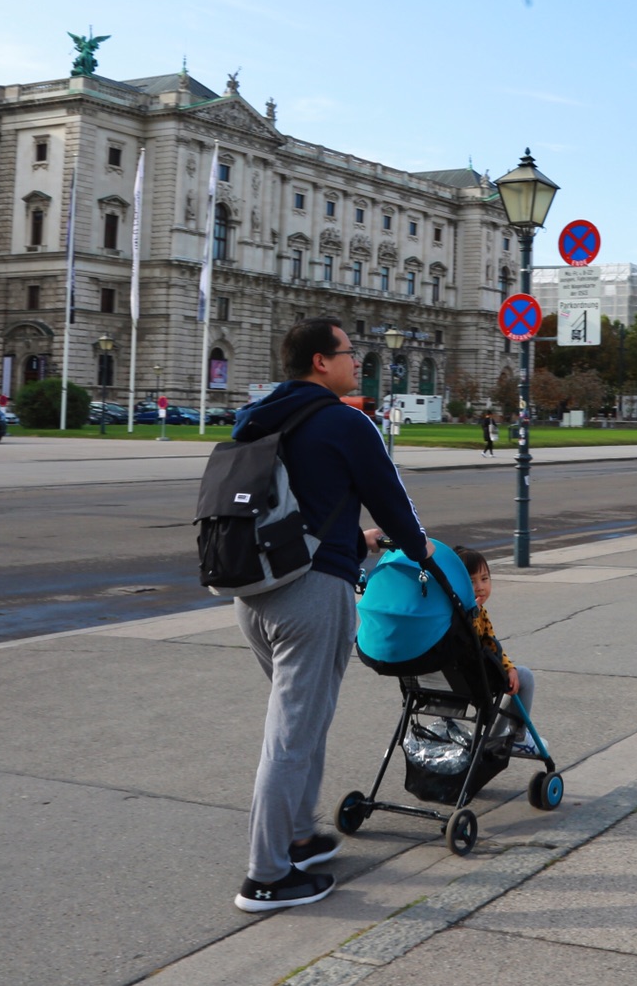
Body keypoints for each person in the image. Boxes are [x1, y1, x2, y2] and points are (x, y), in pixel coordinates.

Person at [227, 318, 435, 914]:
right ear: (321, 362)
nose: (355, 363)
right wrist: (420, 552)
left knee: (302, 721)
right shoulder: (346, 421)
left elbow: (302, 503)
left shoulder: (261, 415)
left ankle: (298, 837)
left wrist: (353, 537)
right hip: (312, 595)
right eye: (347, 354)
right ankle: (265, 876)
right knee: (291, 735)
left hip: (256, 590)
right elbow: (391, 500)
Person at [461, 548, 537, 757]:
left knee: (511, 678)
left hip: (450, 681)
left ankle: (494, 735)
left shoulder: (444, 612)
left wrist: (508, 667)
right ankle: (518, 735)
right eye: (472, 582)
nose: (480, 587)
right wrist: (510, 669)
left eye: (485, 579)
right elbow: (490, 645)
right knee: (525, 677)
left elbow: (491, 645)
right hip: (475, 679)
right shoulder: (473, 613)